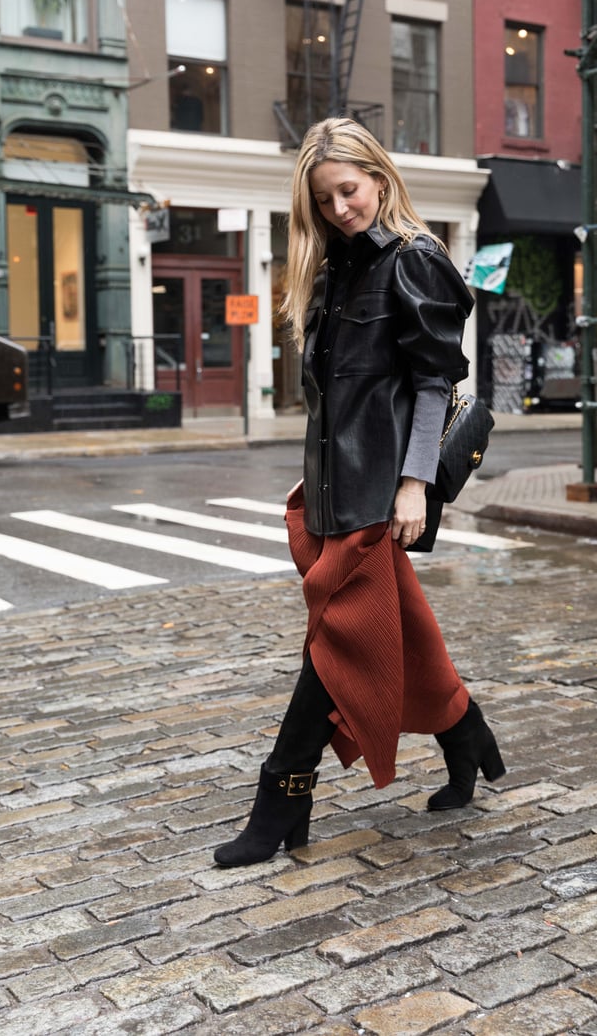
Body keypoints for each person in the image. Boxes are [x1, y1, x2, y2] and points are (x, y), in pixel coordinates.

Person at [214, 117, 505, 868]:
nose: (342, 207)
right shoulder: (334, 269)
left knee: (337, 638)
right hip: (334, 487)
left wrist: (414, 485)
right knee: (396, 625)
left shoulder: (415, 261)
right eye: (325, 199)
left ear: (379, 178)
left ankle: (283, 797)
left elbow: (435, 382)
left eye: (350, 189)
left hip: (382, 490)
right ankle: (465, 733)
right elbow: (330, 397)